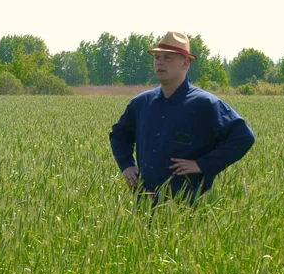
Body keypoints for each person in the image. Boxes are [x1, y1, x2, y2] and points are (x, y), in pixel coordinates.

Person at [109, 31, 255, 205]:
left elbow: (243, 137)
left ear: (185, 63)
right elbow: (119, 135)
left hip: (188, 207)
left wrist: (203, 165)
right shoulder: (142, 103)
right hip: (144, 204)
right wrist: (126, 165)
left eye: (168, 58)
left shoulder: (205, 104)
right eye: (157, 57)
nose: (160, 63)